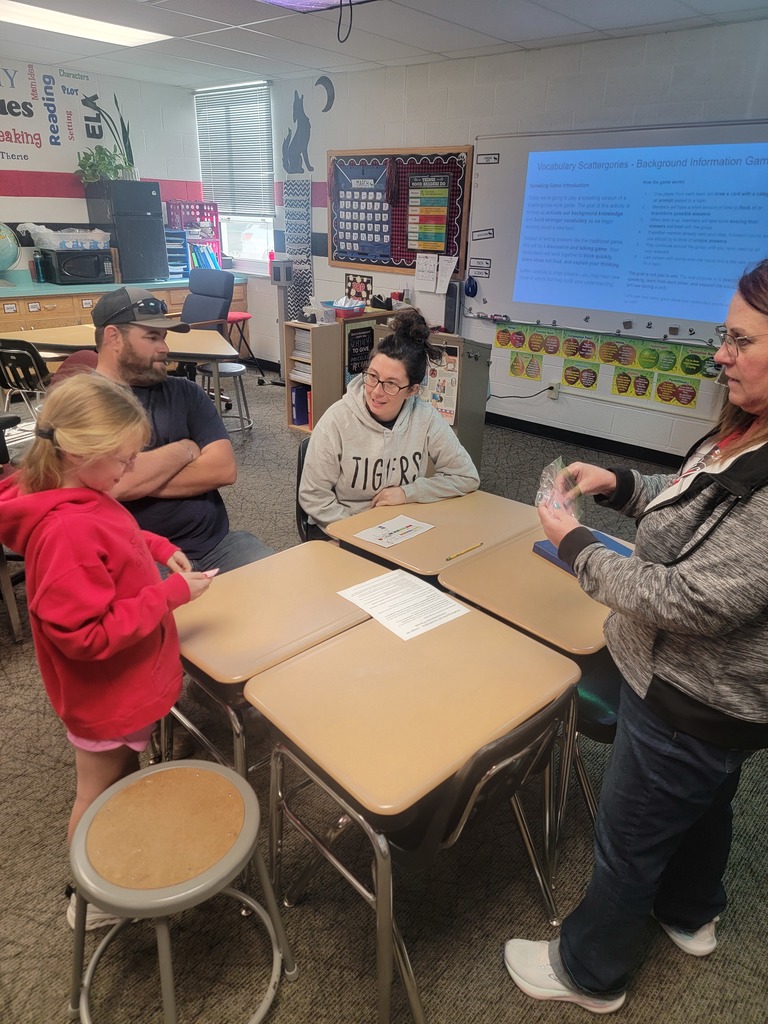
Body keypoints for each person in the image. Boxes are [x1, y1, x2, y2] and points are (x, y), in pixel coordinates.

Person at [503, 258, 768, 1013]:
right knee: (705, 804)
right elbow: (692, 509)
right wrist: (621, 486)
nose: (721, 354)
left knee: (632, 835)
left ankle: (590, 972)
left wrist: (575, 546)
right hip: (717, 712)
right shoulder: (745, 433)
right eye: (726, 336)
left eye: (742, 341)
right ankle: (691, 914)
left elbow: (692, 600)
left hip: (688, 698)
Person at [0, 374, 214, 929]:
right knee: (95, 797)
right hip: (105, 700)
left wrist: (160, 547)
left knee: (119, 784)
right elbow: (86, 636)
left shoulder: (85, 496)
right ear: (78, 453)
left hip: (123, 690)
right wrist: (170, 596)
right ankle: (89, 900)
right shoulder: (63, 532)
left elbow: (118, 534)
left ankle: (113, 866)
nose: (129, 470)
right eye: (122, 460)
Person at [91, 286, 272, 573]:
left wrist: (139, 478)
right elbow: (115, 485)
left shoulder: (186, 392)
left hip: (217, 545)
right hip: (137, 554)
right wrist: (186, 448)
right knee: (173, 616)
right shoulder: (81, 403)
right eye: (151, 337)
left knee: (285, 585)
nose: (164, 348)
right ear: (113, 337)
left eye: (163, 337)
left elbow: (223, 470)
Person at [299, 307, 480, 530]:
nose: (376, 391)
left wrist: (408, 492)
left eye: (391, 384)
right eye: (372, 376)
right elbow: (313, 496)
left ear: (412, 390)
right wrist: (355, 532)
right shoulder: (337, 420)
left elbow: (467, 476)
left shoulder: (425, 418)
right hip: (347, 527)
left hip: (403, 526)